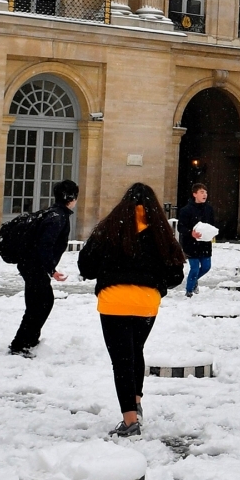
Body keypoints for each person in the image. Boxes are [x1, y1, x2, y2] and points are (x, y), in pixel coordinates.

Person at [77, 182, 185, 438]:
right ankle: (136, 403)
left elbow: (86, 266)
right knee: (136, 351)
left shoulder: (108, 228)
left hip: (113, 301)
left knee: (122, 360)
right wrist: (155, 282)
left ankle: (129, 421)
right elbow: (176, 274)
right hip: (146, 303)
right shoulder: (160, 231)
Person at [8, 179, 78, 356]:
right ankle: (20, 344)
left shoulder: (55, 214)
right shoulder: (57, 218)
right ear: (70, 198)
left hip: (31, 264)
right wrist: (51, 270)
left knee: (40, 302)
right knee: (40, 304)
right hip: (34, 265)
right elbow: (45, 245)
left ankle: (29, 340)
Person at [177, 182, 216, 297]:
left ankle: (194, 280)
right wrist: (191, 233)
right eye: (202, 192)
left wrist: (212, 233)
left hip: (205, 243)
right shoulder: (186, 210)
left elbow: (212, 224)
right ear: (195, 194)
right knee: (194, 268)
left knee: (206, 267)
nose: (205, 195)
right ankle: (189, 290)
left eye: (206, 192)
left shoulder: (209, 209)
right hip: (191, 243)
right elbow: (180, 227)